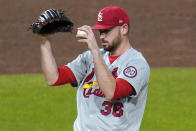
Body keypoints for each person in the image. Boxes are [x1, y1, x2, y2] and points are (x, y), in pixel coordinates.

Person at [40, 5, 150, 131]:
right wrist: (45, 40)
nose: (102, 36)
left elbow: (112, 92)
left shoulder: (136, 64)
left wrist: (94, 50)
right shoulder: (89, 58)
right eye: (100, 32)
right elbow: (53, 78)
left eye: (107, 31)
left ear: (123, 29)